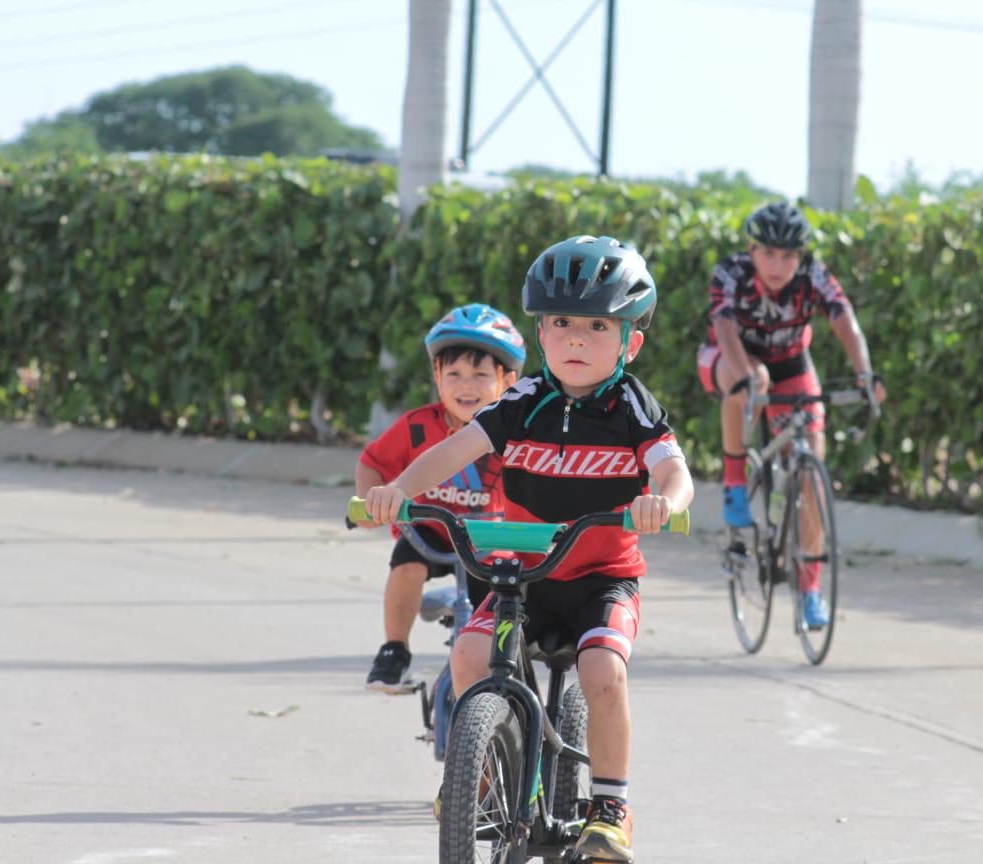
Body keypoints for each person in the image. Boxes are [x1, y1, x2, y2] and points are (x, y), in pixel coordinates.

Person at [362, 235, 694, 864]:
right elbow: (454, 450)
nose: (576, 340)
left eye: (597, 326)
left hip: (602, 579)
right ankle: (490, 769)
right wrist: (399, 489)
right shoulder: (522, 400)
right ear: (540, 333)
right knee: (468, 653)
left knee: (603, 671)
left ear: (630, 343)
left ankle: (610, 808)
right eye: (561, 323)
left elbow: (674, 471)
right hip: (525, 577)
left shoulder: (631, 406)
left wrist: (664, 501)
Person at [697, 201, 886, 630]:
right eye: (768, 253)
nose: (778, 265)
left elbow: (845, 320)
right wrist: (747, 380)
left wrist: (865, 374)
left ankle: (810, 591)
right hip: (731, 358)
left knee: (812, 479)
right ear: (751, 250)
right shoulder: (731, 273)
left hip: (792, 364)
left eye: (788, 256)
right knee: (754, 380)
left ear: (800, 257)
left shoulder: (813, 275)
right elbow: (724, 329)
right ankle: (734, 485)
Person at [354, 303, 526, 693]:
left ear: (507, 381)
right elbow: (372, 463)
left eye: (480, 375)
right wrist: (368, 502)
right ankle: (394, 651)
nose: (466, 386)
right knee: (406, 566)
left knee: (502, 601)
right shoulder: (417, 427)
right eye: (454, 374)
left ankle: (502, 673)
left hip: (490, 538)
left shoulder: (517, 433)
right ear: (437, 377)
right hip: (429, 532)